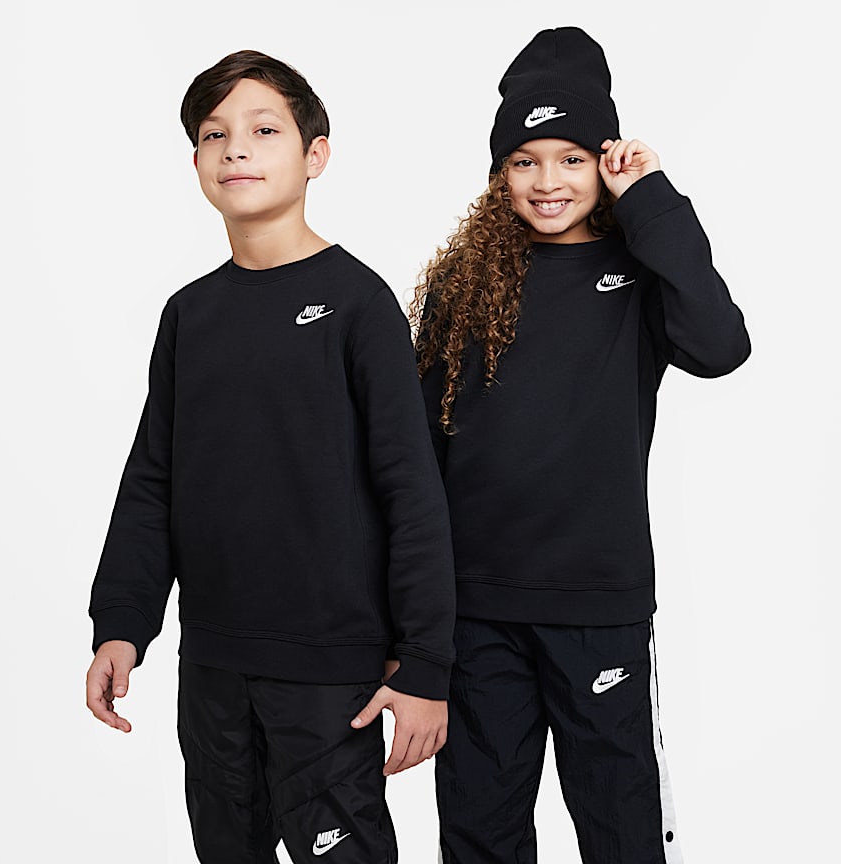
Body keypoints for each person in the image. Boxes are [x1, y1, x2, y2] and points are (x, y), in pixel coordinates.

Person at [86, 49, 455, 864]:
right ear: (196, 163)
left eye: (263, 130)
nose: (236, 150)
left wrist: (427, 662)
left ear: (315, 154)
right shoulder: (190, 315)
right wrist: (121, 624)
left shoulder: (358, 304)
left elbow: (411, 491)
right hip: (213, 667)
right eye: (214, 135)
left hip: (329, 675)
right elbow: (153, 480)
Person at [411, 27, 750, 864]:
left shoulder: (639, 271)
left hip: (598, 603)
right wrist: (412, 613)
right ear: (500, 174)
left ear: (605, 161)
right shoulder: (465, 282)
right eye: (524, 161)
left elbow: (720, 346)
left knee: (619, 826)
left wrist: (652, 199)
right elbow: (421, 450)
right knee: (479, 829)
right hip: (477, 610)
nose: (548, 181)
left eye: (571, 158)